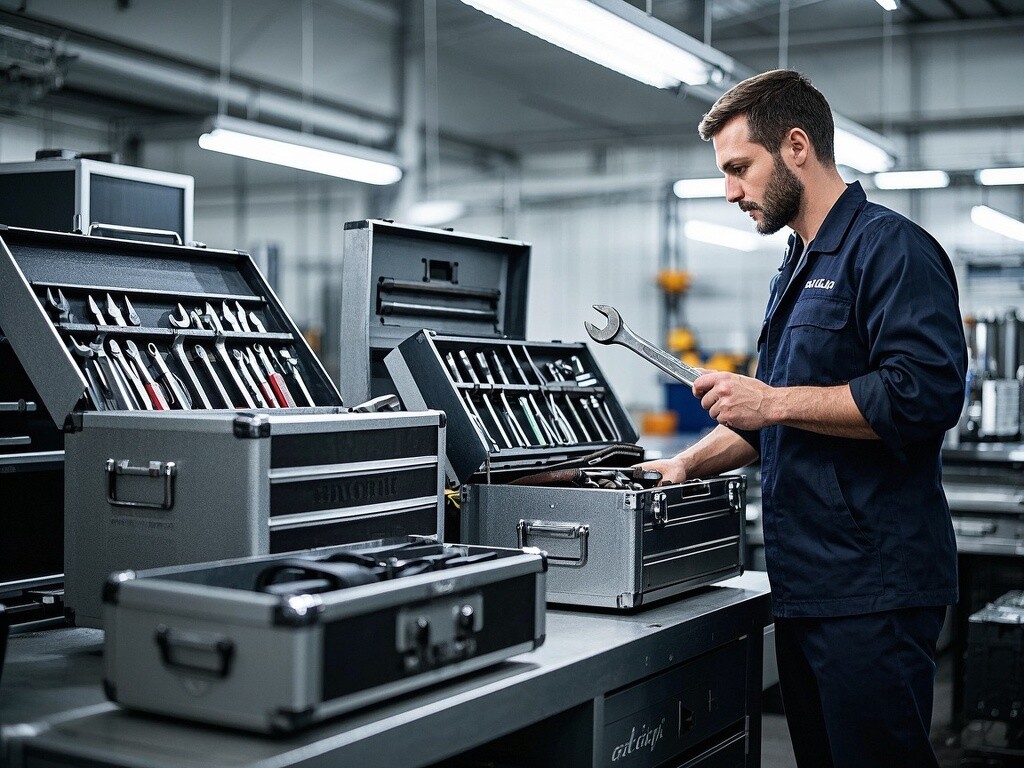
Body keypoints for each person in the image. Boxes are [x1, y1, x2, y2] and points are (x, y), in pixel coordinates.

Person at [640, 70, 967, 767]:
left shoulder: (890, 248)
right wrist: (685, 464)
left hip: (873, 590)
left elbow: (924, 395)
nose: (730, 191)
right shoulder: (794, 267)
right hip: (806, 584)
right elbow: (769, 419)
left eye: (739, 168)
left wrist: (772, 400)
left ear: (795, 146)